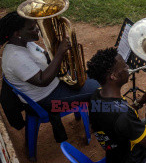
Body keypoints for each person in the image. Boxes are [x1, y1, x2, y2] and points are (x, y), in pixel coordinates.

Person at [0, 12, 100, 142]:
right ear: (17, 33)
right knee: (97, 88)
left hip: (52, 88)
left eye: (35, 25)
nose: (37, 29)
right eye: (32, 28)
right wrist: (59, 53)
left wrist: (57, 47)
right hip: (48, 102)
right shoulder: (16, 57)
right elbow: (42, 80)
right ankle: (97, 125)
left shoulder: (25, 42)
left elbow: (45, 57)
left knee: (94, 76)